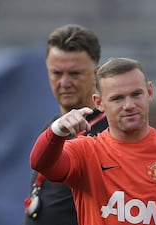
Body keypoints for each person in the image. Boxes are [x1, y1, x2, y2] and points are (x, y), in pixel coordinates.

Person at [29, 58, 156, 225]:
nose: (129, 105)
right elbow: (41, 163)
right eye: (117, 98)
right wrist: (57, 129)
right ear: (99, 103)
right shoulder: (86, 152)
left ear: (150, 92)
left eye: (136, 94)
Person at [24, 24, 108, 225]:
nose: (64, 82)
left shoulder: (110, 133)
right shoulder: (53, 127)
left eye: (75, 73)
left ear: (96, 74)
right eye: (56, 73)